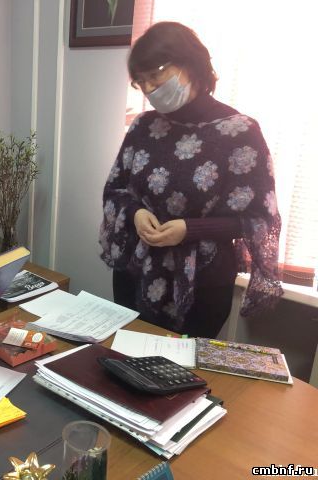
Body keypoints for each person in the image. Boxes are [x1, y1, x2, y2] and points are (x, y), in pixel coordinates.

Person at [99, 22, 283, 338]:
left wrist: (190, 230)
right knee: (127, 356)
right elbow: (116, 189)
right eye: (140, 81)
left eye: (155, 75)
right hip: (136, 272)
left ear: (189, 63)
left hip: (203, 283)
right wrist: (136, 214)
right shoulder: (143, 127)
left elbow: (258, 219)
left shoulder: (239, 133)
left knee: (183, 365)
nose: (149, 88)